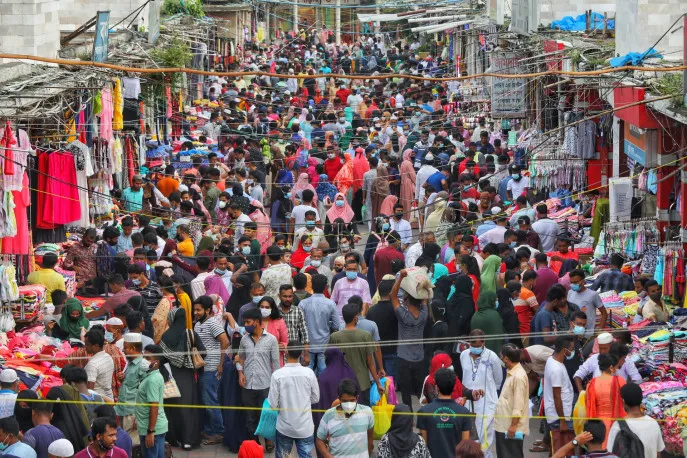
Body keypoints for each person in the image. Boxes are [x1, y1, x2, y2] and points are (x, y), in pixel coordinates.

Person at [238, 308, 280, 450]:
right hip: (248, 385)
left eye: (248, 322)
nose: (246, 325)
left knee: (267, 414)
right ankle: (255, 445)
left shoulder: (271, 339)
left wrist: (277, 386)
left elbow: (275, 363)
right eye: (245, 322)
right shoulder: (244, 339)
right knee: (250, 417)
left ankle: (268, 440)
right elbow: (240, 358)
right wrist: (240, 374)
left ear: (257, 322)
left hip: (265, 384)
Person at [268, 341, 320, 458]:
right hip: (305, 427)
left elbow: (272, 404)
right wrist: (304, 401)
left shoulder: (277, 375)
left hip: (284, 427)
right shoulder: (309, 373)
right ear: (301, 353)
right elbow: (316, 398)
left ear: (286, 352)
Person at [159, 309, 202, 449]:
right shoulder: (190, 333)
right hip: (188, 376)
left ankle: (174, 439)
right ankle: (188, 440)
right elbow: (203, 352)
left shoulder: (165, 336)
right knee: (188, 409)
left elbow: (162, 358)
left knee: (172, 409)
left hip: (170, 376)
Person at [328, 302, 383, 407]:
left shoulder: (335, 337)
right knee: (363, 413)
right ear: (355, 318)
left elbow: (330, 360)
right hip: (362, 383)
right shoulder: (365, 336)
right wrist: (378, 383)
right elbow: (370, 362)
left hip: (342, 383)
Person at [460, 330, 503, 458]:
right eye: (471, 344)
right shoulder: (463, 355)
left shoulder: (492, 356)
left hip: (487, 405)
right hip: (468, 404)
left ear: (483, 342)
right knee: (468, 441)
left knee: (485, 443)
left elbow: (498, 380)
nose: (474, 348)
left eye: (477, 345)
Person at [390, 269, 428, 410]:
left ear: (406, 300)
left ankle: (409, 417)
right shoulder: (424, 314)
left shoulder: (403, 315)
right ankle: (425, 414)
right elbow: (426, 296)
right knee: (420, 391)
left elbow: (393, 296)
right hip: (419, 358)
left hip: (404, 358)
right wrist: (423, 283)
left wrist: (400, 279)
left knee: (405, 391)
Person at [193, 296, 229, 444]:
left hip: (212, 368)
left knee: (210, 400)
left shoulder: (213, 323)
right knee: (206, 400)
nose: (196, 312)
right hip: (202, 367)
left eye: (198, 310)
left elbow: (225, 341)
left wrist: (220, 364)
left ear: (208, 310)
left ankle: (218, 432)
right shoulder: (197, 325)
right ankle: (210, 430)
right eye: (194, 310)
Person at [417, 368, 472, 458]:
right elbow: (465, 447)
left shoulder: (424, 412)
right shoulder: (464, 412)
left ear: (436, 387)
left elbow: (424, 445)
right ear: (454, 386)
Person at [315, 379, 375, 458]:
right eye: (345, 401)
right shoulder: (329, 415)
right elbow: (319, 440)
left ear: (357, 398)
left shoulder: (367, 412)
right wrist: (327, 455)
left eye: (352, 400)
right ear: (339, 399)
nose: (349, 404)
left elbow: (370, 438)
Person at [607, 383, 665, 458]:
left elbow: (611, 453)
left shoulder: (618, 426)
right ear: (641, 398)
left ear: (623, 401)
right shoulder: (653, 423)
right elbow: (658, 454)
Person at [298, 274, 339, 375]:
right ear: (325, 287)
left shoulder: (303, 303)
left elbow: (298, 325)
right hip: (324, 342)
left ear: (311, 286)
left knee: (307, 370)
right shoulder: (330, 304)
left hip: (307, 343)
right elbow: (336, 325)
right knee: (323, 370)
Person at [585, 353, 626, 448]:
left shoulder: (591, 384)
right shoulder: (620, 381)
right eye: (616, 367)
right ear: (611, 367)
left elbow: (589, 406)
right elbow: (626, 403)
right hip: (617, 423)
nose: (617, 370)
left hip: (598, 426)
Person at [135, 345, 168, 458]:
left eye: (148, 358)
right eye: (144, 357)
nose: (144, 361)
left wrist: (150, 432)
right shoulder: (152, 376)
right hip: (154, 426)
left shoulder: (152, 380)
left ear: (156, 362)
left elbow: (154, 406)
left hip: (152, 428)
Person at [544, 337, 576, 455]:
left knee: (557, 449)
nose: (572, 351)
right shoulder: (556, 369)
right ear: (564, 350)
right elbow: (557, 396)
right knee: (561, 450)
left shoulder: (552, 360)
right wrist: (562, 421)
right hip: (558, 416)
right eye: (571, 349)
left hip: (559, 414)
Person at [366, 277, 399, 379]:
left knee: (380, 380)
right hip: (393, 350)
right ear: (392, 293)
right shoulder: (397, 310)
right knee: (392, 382)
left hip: (376, 351)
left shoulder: (371, 311)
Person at [115, 333, 146, 443]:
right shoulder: (130, 364)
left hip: (133, 412)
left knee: (133, 445)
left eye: (125, 347)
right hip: (124, 410)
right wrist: (122, 379)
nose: (123, 350)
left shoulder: (142, 365)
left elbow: (145, 393)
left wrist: (138, 417)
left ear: (133, 348)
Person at [568, 269, 606, 338]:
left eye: (575, 282)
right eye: (571, 282)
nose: (573, 284)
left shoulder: (593, 295)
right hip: (573, 334)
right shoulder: (570, 293)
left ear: (582, 281)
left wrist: (599, 330)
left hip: (588, 335)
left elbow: (604, 313)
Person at [84, 327, 115, 399]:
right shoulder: (108, 357)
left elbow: (90, 391)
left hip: (98, 400)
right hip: (108, 397)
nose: (85, 347)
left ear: (96, 346)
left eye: (87, 344)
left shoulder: (93, 364)